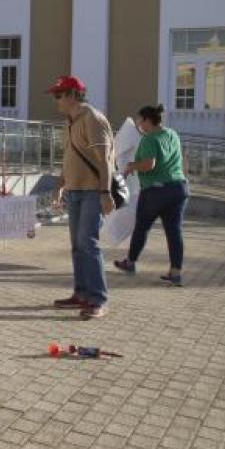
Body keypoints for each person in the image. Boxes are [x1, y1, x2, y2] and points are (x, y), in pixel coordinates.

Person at [49, 75, 115, 319]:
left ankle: (98, 299)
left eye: (59, 95)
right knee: (78, 246)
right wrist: (60, 185)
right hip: (74, 191)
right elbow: (69, 157)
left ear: (73, 96)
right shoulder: (69, 122)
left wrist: (105, 192)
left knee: (88, 243)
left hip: (92, 192)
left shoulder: (92, 119)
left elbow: (104, 160)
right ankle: (81, 294)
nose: (56, 100)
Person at [114, 104, 189, 286]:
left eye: (140, 120)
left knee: (142, 227)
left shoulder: (149, 139)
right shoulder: (172, 134)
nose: (138, 124)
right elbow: (180, 159)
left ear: (148, 120)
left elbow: (149, 164)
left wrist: (131, 166)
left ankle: (130, 262)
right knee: (174, 231)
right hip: (178, 188)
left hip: (156, 191)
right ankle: (176, 272)